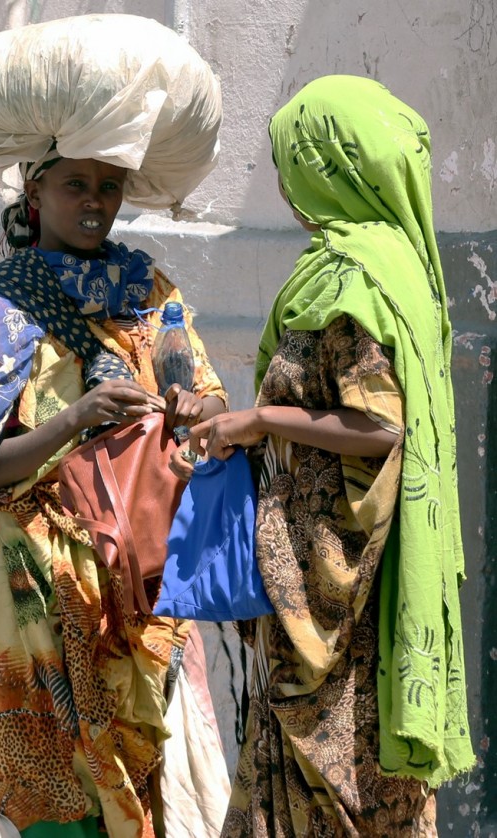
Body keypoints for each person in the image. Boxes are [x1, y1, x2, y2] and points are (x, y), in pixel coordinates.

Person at [0, 150, 229, 838]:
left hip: (132, 579)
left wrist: (190, 406)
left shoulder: (149, 292)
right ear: (35, 191)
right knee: (45, 783)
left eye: (109, 187)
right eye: (75, 184)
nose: (94, 201)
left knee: (146, 773)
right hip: (27, 588)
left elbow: (196, 389)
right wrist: (74, 419)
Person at [190, 74, 475, 836]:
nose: (282, 181)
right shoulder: (394, 266)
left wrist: (259, 420)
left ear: (329, 166)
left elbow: (381, 428)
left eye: (289, 160)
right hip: (347, 582)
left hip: (333, 598)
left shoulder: (352, 280)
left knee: (328, 773)